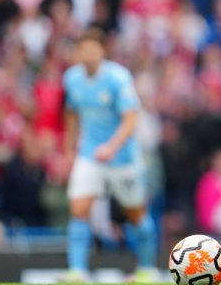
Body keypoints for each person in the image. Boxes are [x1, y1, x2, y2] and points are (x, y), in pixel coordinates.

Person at [62, 28, 156, 282]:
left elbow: (130, 118)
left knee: (135, 213)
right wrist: (68, 149)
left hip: (122, 158)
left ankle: (146, 268)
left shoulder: (118, 78)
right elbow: (72, 115)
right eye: (83, 49)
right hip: (89, 154)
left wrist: (112, 147)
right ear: (78, 53)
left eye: (93, 49)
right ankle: (77, 270)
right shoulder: (72, 78)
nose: (88, 54)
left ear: (103, 51)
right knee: (79, 207)